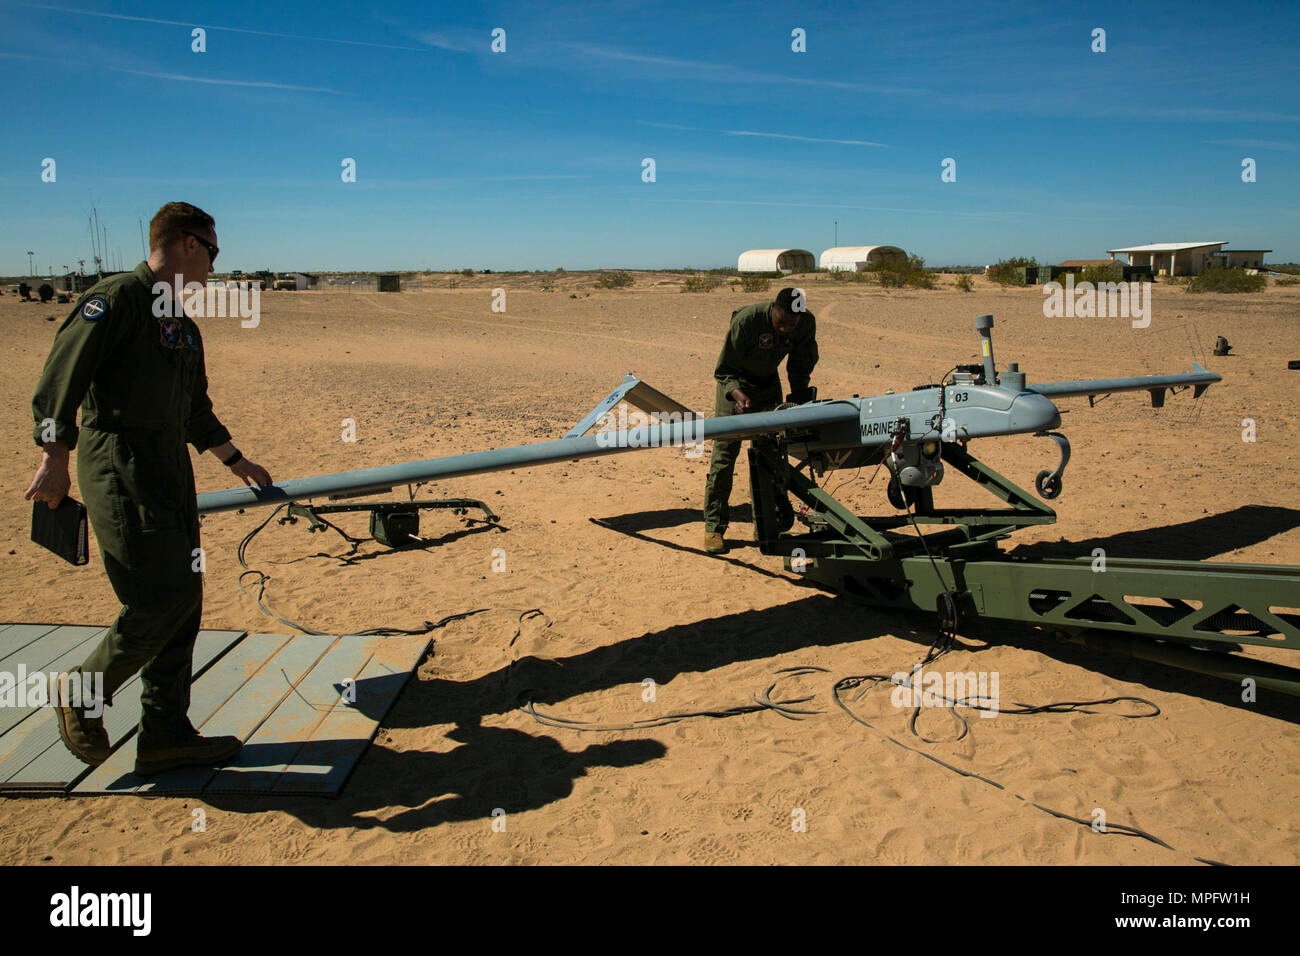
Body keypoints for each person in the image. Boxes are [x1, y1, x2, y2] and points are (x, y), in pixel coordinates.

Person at [24, 201, 273, 775]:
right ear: (187, 244)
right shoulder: (115, 300)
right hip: (121, 464)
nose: (214, 266)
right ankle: (84, 691)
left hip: (168, 469)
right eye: (212, 252)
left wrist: (236, 461)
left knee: (184, 599)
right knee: (157, 597)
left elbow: (194, 409)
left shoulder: (180, 325)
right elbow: (62, 377)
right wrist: (54, 457)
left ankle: (165, 733)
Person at [703, 286, 818, 553]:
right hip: (736, 386)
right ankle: (713, 528)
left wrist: (800, 401)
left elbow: (800, 365)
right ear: (773, 308)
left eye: (791, 325)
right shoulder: (747, 321)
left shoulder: (804, 323)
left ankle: (765, 525)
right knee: (724, 456)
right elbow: (724, 370)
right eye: (781, 323)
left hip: (768, 385)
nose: (785, 329)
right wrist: (738, 395)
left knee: (769, 456)